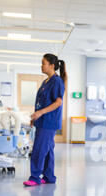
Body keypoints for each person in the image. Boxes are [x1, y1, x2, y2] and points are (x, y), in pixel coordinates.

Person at [23, 54, 66, 187]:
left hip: (49, 122)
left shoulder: (57, 81)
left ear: (52, 66)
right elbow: (41, 102)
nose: (41, 66)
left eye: (43, 63)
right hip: (42, 121)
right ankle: (49, 177)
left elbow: (58, 102)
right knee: (47, 150)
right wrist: (35, 116)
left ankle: (35, 177)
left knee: (39, 149)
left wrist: (40, 113)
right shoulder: (46, 81)